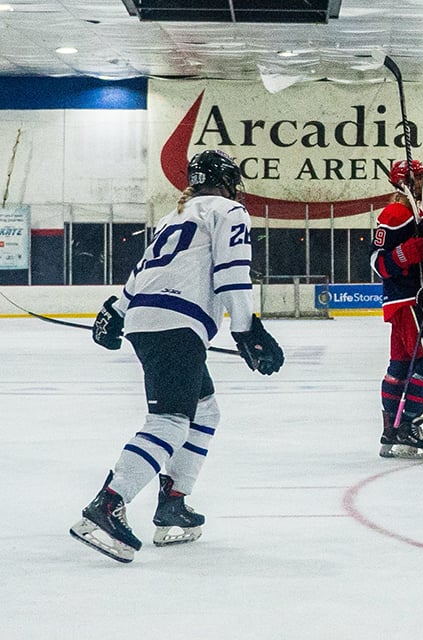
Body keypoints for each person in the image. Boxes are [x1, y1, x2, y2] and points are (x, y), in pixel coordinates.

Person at [70, 149, 285, 563]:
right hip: (178, 322)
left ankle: (173, 503)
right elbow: (232, 272)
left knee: (204, 412)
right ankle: (108, 504)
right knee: (170, 420)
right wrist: (246, 329)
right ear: (228, 181)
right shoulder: (228, 211)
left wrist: (115, 308)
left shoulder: (176, 216)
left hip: (146, 318)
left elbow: (144, 271)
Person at [370, 159, 423, 459]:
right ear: (405, 182)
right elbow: (377, 261)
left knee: (400, 367)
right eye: (420, 177)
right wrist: (405, 254)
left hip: (410, 299)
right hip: (409, 301)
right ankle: (409, 425)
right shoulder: (396, 212)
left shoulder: (417, 211)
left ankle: (390, 430)